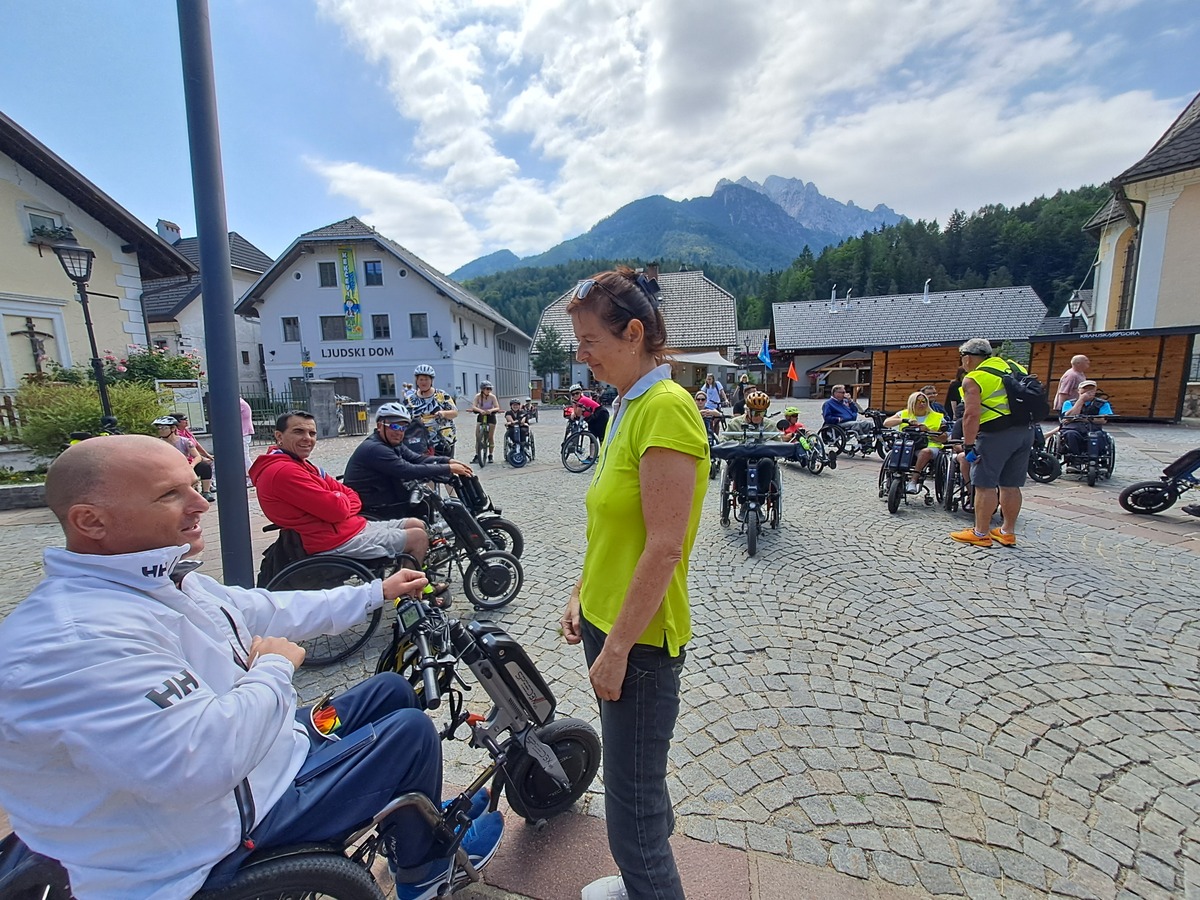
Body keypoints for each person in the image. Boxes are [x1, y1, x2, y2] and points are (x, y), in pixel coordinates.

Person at [0, 435, 503, 900]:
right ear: (91, 521)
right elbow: (201, 763)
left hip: (258, 764)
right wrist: (273, 668)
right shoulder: (74, 642)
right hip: (207, 837)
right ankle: (425, 871)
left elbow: (268, 608)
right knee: (410, 732)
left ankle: (418, 817)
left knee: (389, 689)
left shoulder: (160, 581)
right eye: (170, 495)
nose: (201, 503)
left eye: (194, 484)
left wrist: (377, 592)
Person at [558, 267, 707, 900]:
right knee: (636, 777)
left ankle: (648, 887)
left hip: (638, 639)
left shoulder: (665, 408)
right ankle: (638, 883)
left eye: (591, 341)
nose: (582, 355)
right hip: (608, 620)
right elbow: (612, 521)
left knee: (631, 804)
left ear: (635, 333)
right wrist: (580, 592)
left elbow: (665, 544)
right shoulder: (626, 404)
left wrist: (617, 647)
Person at [251, 410, 430, 563]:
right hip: (332, 540)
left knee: (415, 523)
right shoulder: (284, 471)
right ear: (279, 436)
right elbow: (337, 510)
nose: (307, 439)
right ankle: (409, 590)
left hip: (346, 529)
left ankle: (409, 578)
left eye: (312, 433)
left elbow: (350, 494)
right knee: (418, 538)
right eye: (299, 432)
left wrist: (341, 501)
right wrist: (340, 502)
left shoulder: (300, 463)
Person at [950, 338, 1034, 548]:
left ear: (968, 358)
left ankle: (980, 533)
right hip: (1026, 431)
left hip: (996, 433)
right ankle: (1007, 532)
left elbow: (971, 415)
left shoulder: (974, 378)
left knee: (984, 484)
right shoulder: (1014, 367)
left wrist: (969, 445)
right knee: (1011, 484)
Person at [342, 403, 474, 520]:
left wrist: (448, 460)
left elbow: (417, 459)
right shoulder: (375, 448)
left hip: (384, 495)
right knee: (422, 508)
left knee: (426, 502)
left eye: (403, 428)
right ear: (379, 425)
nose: (399, 432)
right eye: (394, 426)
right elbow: (408, 470)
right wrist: (448, 468)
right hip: (373, 505)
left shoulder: (392, 443)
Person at [885, 391, 947, 493]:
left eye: (924, 401)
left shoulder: (937, 417)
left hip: (929, 445)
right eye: (918, 401)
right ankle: (892, 477)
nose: (921, 404)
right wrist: (904, 420)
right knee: (896, 449)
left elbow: (944, 438)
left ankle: (913, 480)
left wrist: (928, 430)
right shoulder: (904, 414)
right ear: (912, 403)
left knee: (925, 452)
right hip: (907, 445)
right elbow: (886, 423)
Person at [405, 364, 458, 453]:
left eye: (426, 379)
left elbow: (455, 412)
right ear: (416, 381)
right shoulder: (410, 399)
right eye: (421, 379)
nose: (424, 382)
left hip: (442, 438)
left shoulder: (441, 395)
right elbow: (405, 418)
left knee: (445, 460)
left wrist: (443, 413)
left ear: (431, 380)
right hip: (420, 439)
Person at [1059, 379, 1113, 458]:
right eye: (1085, 389)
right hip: (1073, 429)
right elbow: (1069, 416)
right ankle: (1074, 458)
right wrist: (1081, 400)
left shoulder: (1103, 404)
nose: (1088, 391)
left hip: (1093, 429)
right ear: (1079, 391)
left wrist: (1083, 419)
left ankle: (1096, 458)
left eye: (1091, 389)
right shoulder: (1069, 403)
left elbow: (1102, 420)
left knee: (1098, 436)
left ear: (1095, 391)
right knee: (1070, 434)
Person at [172, 412, 217, 501]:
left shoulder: (186, 431)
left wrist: (206, 455)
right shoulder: (176, 436)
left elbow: (196, 444)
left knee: (206, 465)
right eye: (183, 420)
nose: (186, 421)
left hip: (193, 460)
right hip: (183, 462)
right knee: (204, 463)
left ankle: (206, 490)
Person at [468, 381, 501, 463]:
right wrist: (480, 410)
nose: (489, 390)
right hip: (481, 415)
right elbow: (474, 406)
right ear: (482, 389)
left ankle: (490, 455)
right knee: (478, 436)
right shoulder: (478, 396)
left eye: (490, 389)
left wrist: (491, 410)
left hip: (491, 416)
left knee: (490, 437)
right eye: (487, 389)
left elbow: (497, 407)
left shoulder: (492, 397)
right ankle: (477, 455)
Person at [239, 396, 254, 488]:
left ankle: (252, 477)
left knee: (244, 456)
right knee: (243, 456)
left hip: (243, 433)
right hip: (244, 432)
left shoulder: (239, 403)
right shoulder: (241, 402)